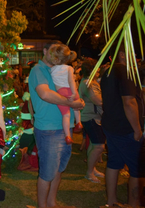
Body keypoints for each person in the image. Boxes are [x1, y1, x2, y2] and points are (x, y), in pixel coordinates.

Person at [29, 41, 84, 208]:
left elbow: (71, 90)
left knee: (59, 169)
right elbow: (45, 94)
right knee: (47, 172)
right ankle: (42, 205)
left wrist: (78, 101)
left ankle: (52, 203)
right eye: (54, 52)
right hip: (49, 129)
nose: (57, 56)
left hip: (64, 127)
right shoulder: (39, 70)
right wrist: (73, 104)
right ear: (45, 51)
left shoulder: (59, 69)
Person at [100, 47, 144, 207]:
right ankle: (134, 204)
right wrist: (138, 129)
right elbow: (129, 102)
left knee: (114, 163)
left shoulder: (108, 72)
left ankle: (111, 201)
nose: (135, 55)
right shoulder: (125, 72)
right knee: (138, 169)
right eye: (132, 52)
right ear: (122, 55)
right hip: (126, 128)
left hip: (111, 125)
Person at [78, 58, 106, 183]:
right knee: (99, 146)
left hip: (91, 117)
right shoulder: (88, 83)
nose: (99, 72)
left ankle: (92, 169)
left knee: (95, 145)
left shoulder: (89, 82)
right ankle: (89, 172)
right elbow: (98, 101)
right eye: (98, 69)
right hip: (91, 117)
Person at [49, 44, 83, 145]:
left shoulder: (52, 69)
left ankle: (67, 136)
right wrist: (73, 93)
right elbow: (71, 81)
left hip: (61, 93)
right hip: (71, 91)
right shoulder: (69, 68)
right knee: (76, 108)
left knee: (66, 115)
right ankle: (79, 123)